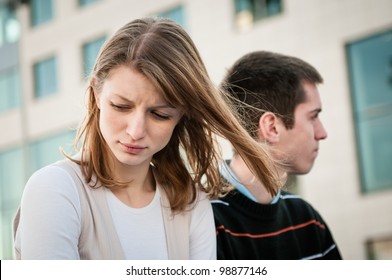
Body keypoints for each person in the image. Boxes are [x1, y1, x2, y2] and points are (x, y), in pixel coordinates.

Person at [13, 18, 280, 260]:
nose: (136, 130)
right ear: (96, 93)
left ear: (181, 116)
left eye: (160, 114)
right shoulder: (55, 189)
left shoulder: (191, 204)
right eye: (121, 106)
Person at [212, 50, 343, 259]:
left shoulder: (307, 219)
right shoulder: (203, 223)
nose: (322, 133)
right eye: (313, 117)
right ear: (271, 127)